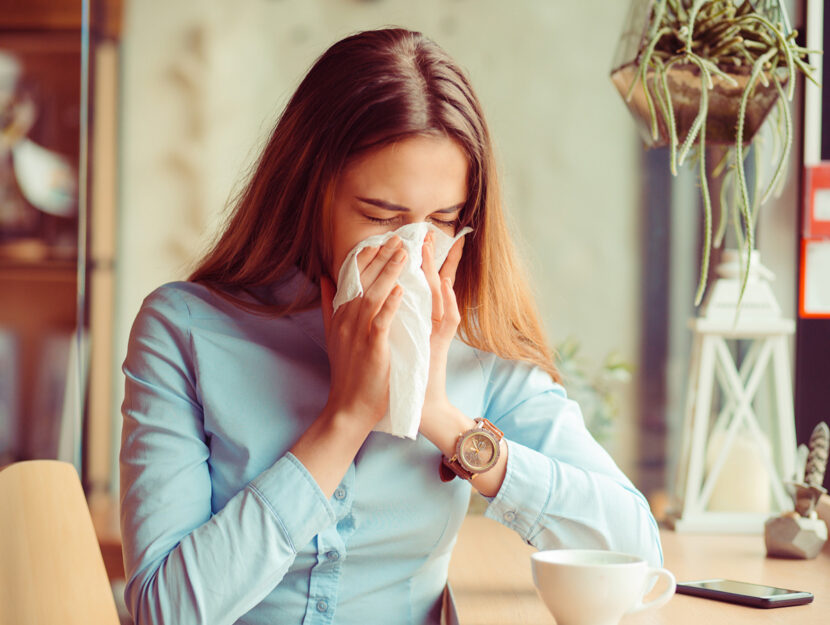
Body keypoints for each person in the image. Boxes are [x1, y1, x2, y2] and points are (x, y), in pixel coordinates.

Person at [119, 27, 662, 625]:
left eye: (442, 219)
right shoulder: (186, 330)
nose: (410, 250)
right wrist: (344, 421)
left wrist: (438, 415)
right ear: (309, 194)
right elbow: (163, 612)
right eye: (381, 216)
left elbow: (637, 551)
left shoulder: (477, 348)